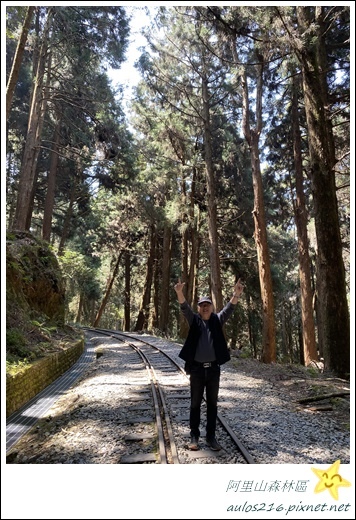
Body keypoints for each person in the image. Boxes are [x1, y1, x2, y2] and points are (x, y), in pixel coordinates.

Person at [174, 277, 244, 451]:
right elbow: (184, 308)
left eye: (207, 305)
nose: (205, 308)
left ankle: (211, 437)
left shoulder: (216, 320)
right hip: (197, 370)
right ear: (199, 309)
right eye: (202, 305)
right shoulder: (195, 320)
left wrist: (236, 294)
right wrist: (179, 292)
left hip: (213, 370)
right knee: (195, 404)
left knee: (212, 404)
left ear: (212, 308)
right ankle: (194, 436)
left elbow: (229, 309)